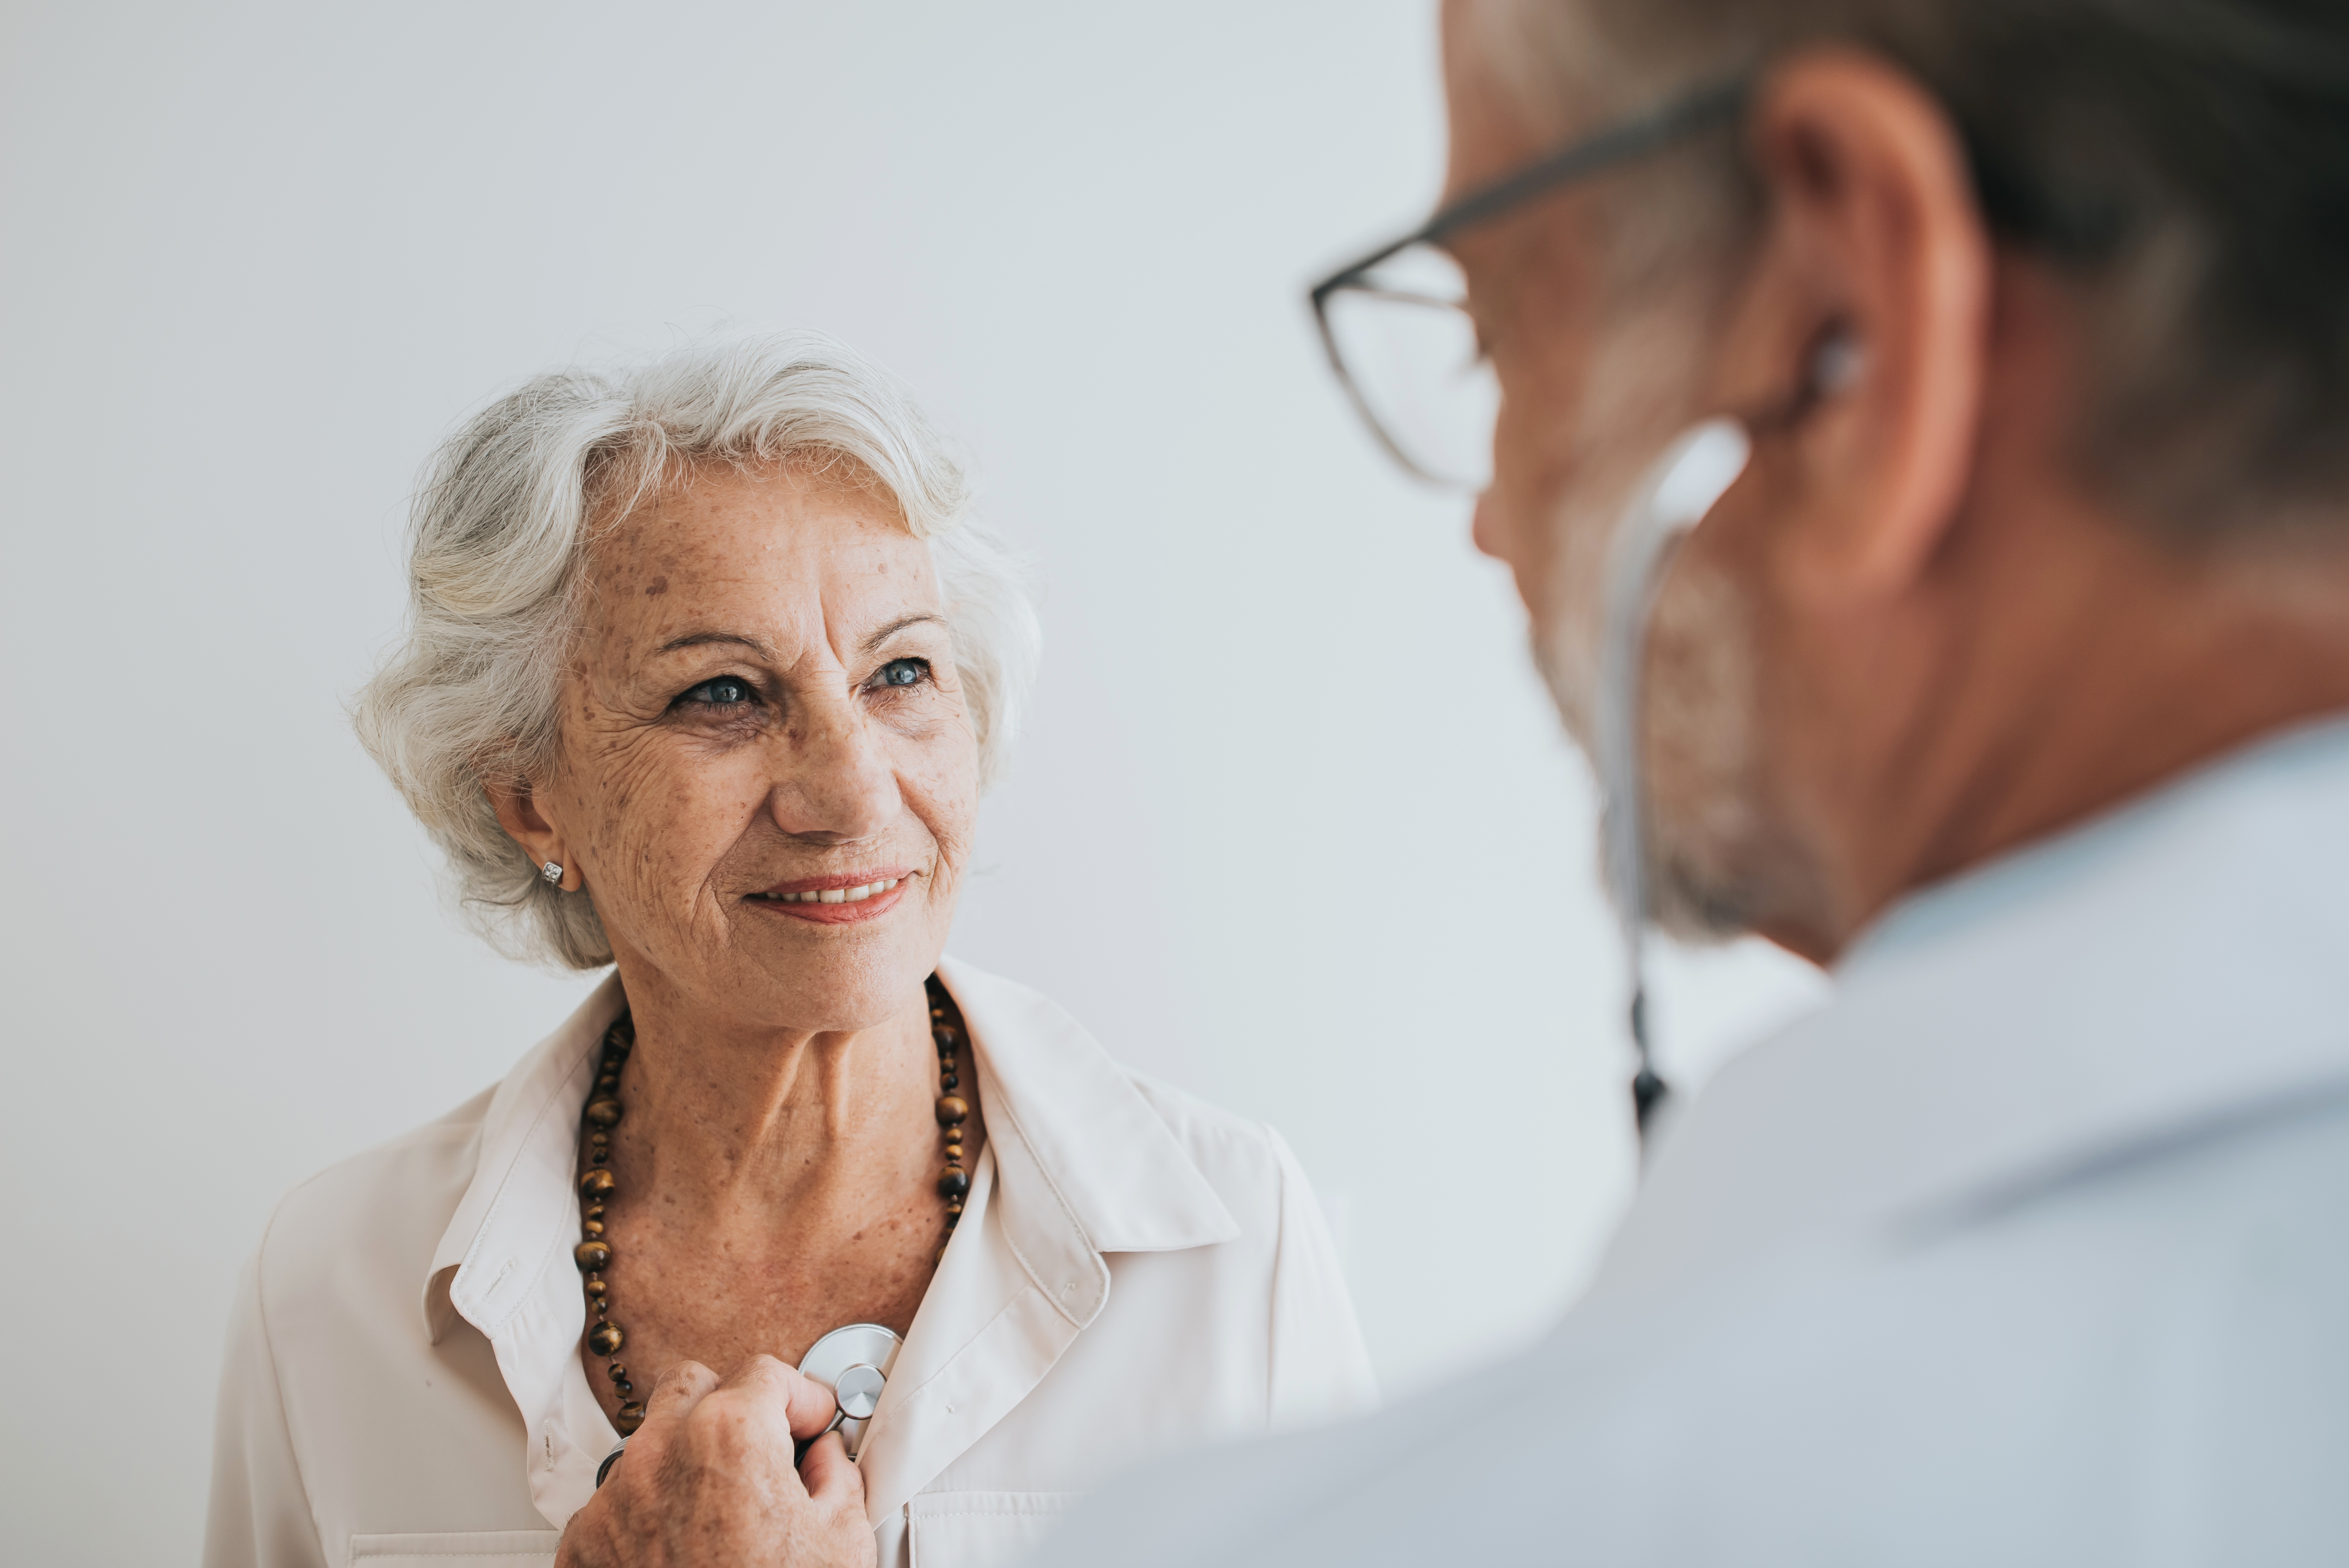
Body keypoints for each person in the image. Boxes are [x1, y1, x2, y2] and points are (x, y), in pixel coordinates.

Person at [551, 0, 2349, 1561]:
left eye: (1494, 336)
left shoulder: (1535, 1507)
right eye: (722, 694)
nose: (1491, 516)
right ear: (527, 794)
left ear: (1848, 324)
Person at [200, 331, 1375, 1568]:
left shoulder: (1234, 1248)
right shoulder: (334, 1293)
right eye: (724, 694)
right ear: (533, 798)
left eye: (901, 672)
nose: (853, 794)